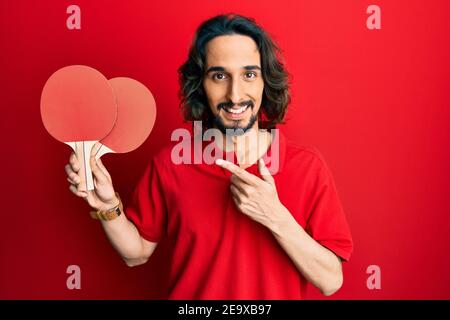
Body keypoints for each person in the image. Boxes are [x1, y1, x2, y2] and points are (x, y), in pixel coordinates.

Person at [65, 14, 353, 299]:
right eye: (219, 76)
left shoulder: (307, 166)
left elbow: (330, 281)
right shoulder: (170, 165)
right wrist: (109, 206)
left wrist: (277, 217)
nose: (235, 93)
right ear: (200, 84)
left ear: (266, 83)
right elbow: (135, 254)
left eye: (249, 74)